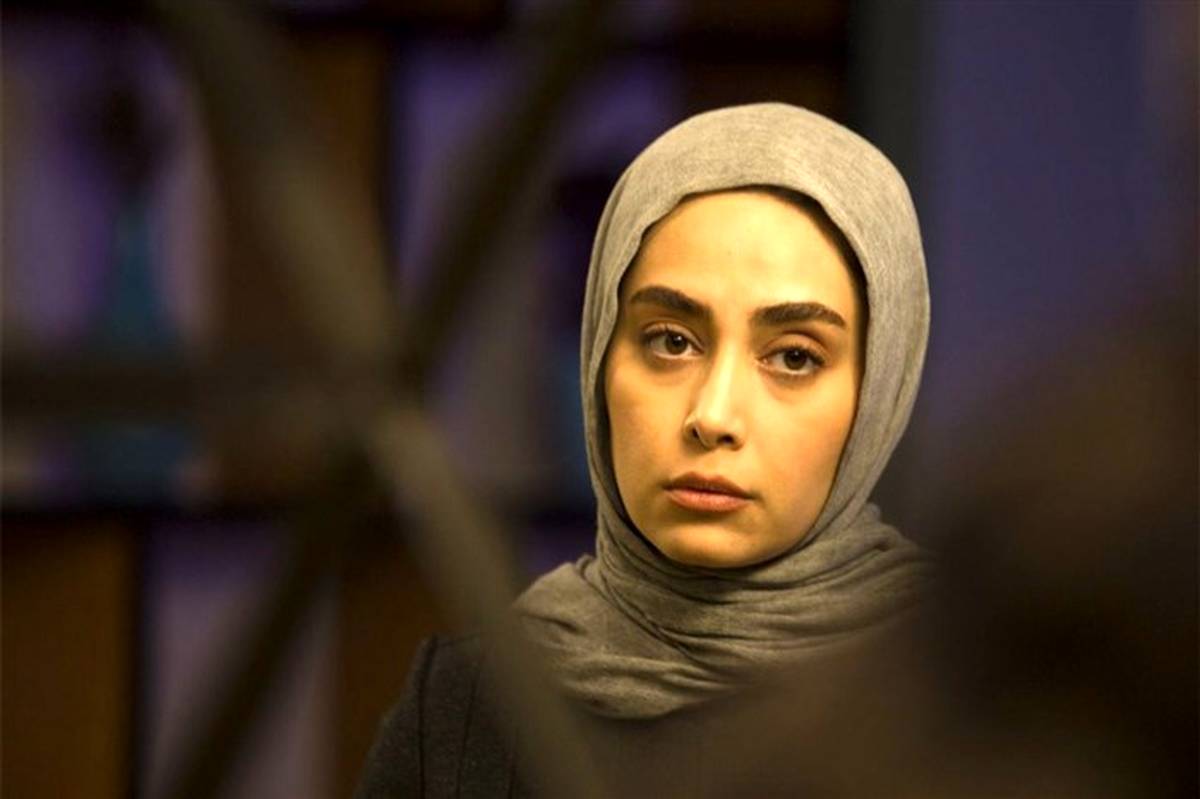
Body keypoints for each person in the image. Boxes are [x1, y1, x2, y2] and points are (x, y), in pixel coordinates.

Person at [356, 102, 933, 797]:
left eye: (793, 357)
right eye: (671, 341)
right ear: (601, 353)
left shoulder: (975, 703)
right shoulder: (466, 704)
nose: (712, 416)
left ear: (879, 389)